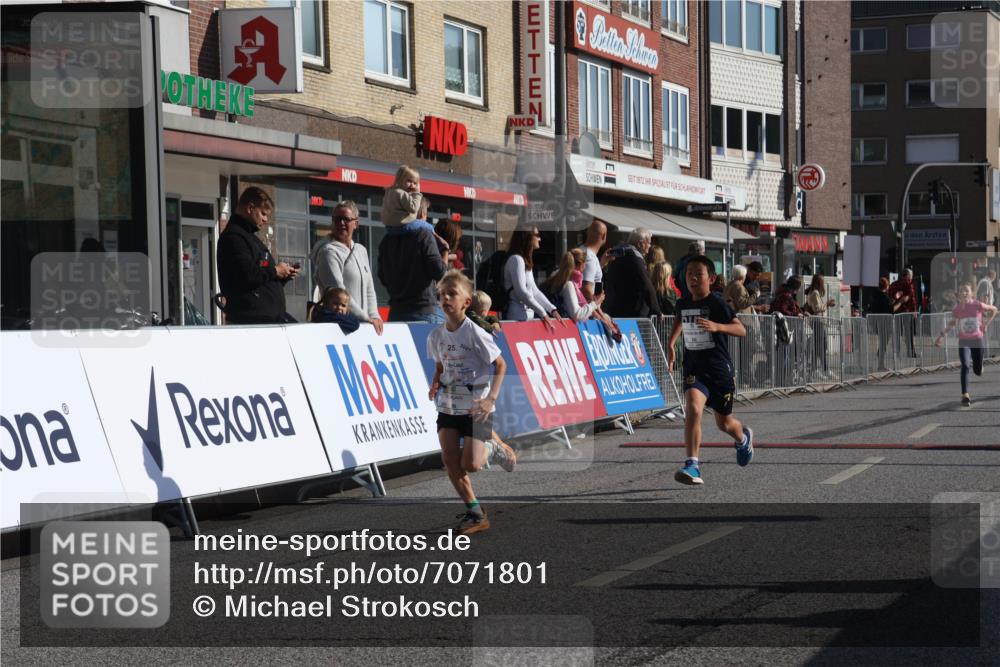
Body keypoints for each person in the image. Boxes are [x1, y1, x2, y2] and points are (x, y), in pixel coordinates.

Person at [427, 270, 514, 535]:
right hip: (450, 402)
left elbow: (500, 365)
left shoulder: (475, 333)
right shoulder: (436, 336)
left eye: (452, 294)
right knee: (449, 459)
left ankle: (494, 447)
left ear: (466, 302)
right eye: (442, 295)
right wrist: (435, 383)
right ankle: (476, 513)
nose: (446, 299)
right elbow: (441, 364)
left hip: (476, 401)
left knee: (471, 465)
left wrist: (490, 399)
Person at [666, 255, 753, 485]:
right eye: (689, 274)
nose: (693, 278)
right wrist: (671, 343)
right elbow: (679, 319)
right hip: (695, 368)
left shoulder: (717, 303)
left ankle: (743, 438)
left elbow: (740, 329)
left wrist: (716, 326)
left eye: (699, 274)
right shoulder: (683, 302)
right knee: (693, 408)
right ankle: (692, 465)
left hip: (719, 370)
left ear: (711, 278)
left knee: (724, 424)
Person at [217, 186, 299, 324]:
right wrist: (275, 271)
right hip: (252, 321)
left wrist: (281, 277)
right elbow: (247, 274)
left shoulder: (249, 238)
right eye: (263, 213)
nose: (266, 219)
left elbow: (259, 276)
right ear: (250, 208)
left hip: (266, 318)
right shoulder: (234, 237)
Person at [310, 201, 384, 334]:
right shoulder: (328, 251)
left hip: (363, 326)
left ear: (356, 223)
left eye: (346, 219)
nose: (341, 223)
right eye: (337, 219)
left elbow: (369, 288)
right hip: (341, 327)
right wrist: (364, 318)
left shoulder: (361, 250)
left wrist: (374, 316)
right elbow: (338, 292)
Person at [377, 197, 448, 324]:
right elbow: (439, 272)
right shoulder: (424, 234)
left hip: (396, 313)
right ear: (422, 213)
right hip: (423, 312)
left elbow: (382, 276)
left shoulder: (387, 239)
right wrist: (445, 250)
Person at [935, 281, 998, 406]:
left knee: (978, 370)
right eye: (962, 291)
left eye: (967, 290)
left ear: (972, 293)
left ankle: (979, 368)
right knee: (965, 365)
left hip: (977, 340)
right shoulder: (957, 309)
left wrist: (986, 324)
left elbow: (994, 309)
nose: (964, 293)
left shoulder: (977, 305)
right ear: (959, 295)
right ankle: (965, 395)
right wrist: (941, 336)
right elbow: (952, 323)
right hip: (964, 341)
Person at [503, 225, 560, 327]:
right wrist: (543, 313)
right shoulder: (516, 260)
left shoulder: (525, 261)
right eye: (537, 235)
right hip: (516, 318)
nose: (540, 238)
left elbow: (534, 291)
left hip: (527, 317)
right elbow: (521, 292)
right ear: (527, 237)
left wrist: (552, 309)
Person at [602, 228, 663, 318]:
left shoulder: (617, 252)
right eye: (649, 243)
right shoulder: (635, 257)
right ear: (640, 243)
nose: (650, 246)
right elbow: (646, 285)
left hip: (612, 309)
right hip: (632, 313)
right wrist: (657, 310)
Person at [542, 249, 604, 321]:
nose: (585, 267)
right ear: (581, 264)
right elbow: (577, 315)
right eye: (585, 264)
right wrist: (595, 303)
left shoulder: (557, 276)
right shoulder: (569, 284)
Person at [804, 274, 836, 375]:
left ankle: (815, 369)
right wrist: (827, 303)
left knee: (819, 346)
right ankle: (824, 369)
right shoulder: (814, 293)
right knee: (821, 346)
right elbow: (817, 309)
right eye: (822, 281)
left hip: (817, 322)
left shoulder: (813, 293)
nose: (824, 283)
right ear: (819, 283)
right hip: (818, 322)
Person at [889, 269, 918, 357]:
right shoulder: (909, 285)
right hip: (906, 312)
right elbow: (912, 299)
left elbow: (890, 296)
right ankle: (910, 352)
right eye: (910, 276)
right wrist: (914, 311)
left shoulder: (893, 284)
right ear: (908, 276)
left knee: (896, 333)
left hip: (896, 312)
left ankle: (896, 352)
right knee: (908, 334)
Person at [579, 218, 610, 301]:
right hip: (587, 311)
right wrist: (599, 313)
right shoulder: (590, 257)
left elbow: (590, 274)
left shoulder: (582, 250)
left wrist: (601, 264)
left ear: (588, 233)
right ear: (604, 236)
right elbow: (586, 290)